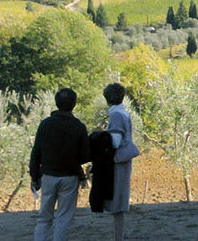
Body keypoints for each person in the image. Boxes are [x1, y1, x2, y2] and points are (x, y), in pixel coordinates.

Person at [30, 88, 90, 241]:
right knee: (64, 218)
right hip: (70, 177)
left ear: (56, 103)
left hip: (48, 176)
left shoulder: (45, 124)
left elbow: (36, 151)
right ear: (74, 104)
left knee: (44, 217)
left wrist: (34, 175)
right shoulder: (79, 126)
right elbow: (84, 156)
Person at [104, 83, 140, 241]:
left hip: (118, 160)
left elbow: (115, 140)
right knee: (120, 198)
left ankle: (118, 237)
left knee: (117, 199)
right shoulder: (123, 113)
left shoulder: (116, 115)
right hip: (124, 160)